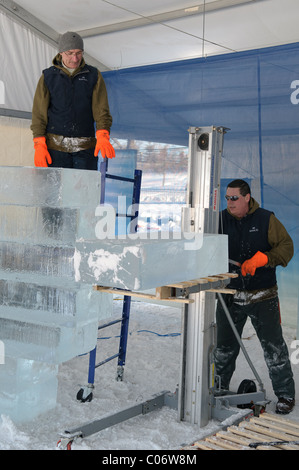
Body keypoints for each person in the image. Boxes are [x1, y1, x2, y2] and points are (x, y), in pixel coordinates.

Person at [214, 179, 295, 414]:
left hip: (263, 295)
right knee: (224, 349)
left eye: (234, 198)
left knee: (274, 348)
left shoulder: (266, 219)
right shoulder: (219, 220)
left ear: (247, 198)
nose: (229, 203)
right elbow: (204, 247)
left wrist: (264, 259)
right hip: (229, 294)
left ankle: (286, 395)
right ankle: (217, 389)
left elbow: (286, 247)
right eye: (227, 198)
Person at [31, 31, 115, 170]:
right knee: (56, 191)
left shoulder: (93, 75)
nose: (75, 58)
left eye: (79, 53)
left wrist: (103, 135)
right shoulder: (48, 76)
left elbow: (101, 109)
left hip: (85, 148)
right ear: (61, 53)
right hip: (55, 149)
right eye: (70, 53)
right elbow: (39, 114)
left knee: (82, 190)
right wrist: (39, 144)